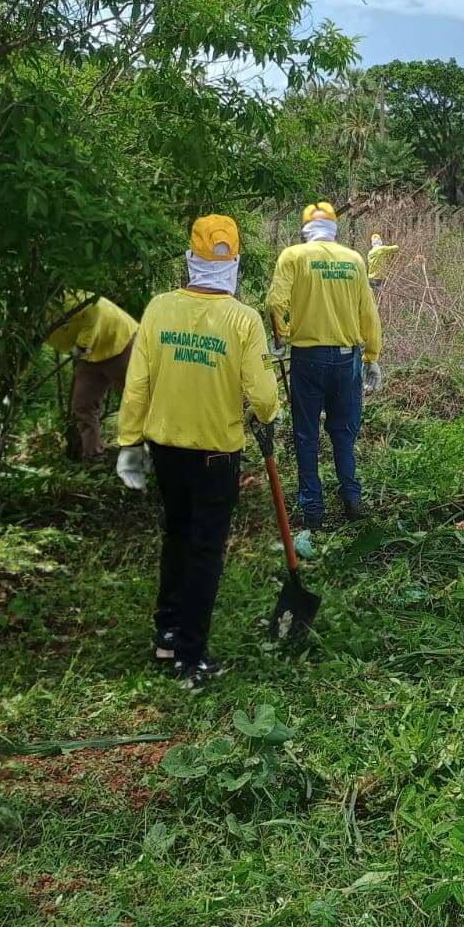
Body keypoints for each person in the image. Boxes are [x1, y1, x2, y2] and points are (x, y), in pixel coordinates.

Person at [115, 215, 279, 689]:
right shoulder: (243, 320)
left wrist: (129, 443)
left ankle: (167, 631)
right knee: (205, 552)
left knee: (177, 537)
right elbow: (264, 396)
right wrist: (267, 418)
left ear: (191, 260)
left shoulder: (159, 309)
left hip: (165, 449)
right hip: (215, 456)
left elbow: (138, 385)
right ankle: (191, 657)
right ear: (235, 264)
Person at [266, 202, 383, 530]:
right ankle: (351, 499)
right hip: (348, 359)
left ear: (306, 229)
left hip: (308, 358)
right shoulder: (354, 260)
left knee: (306, 434)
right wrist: (372, 357)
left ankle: (313, 512)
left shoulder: (293, 256)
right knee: (344, 431)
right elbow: (368, 312)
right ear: (335, 228)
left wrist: (280, 338)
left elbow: (275, 302)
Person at [44, 291, 138, 461]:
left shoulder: (66, 299)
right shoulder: (31, 317)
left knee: (136, 402)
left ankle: (154, 454)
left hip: (119, 342)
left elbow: (95, 309)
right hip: (89, 357)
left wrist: (83, 344)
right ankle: (93, 458)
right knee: (83, 404)